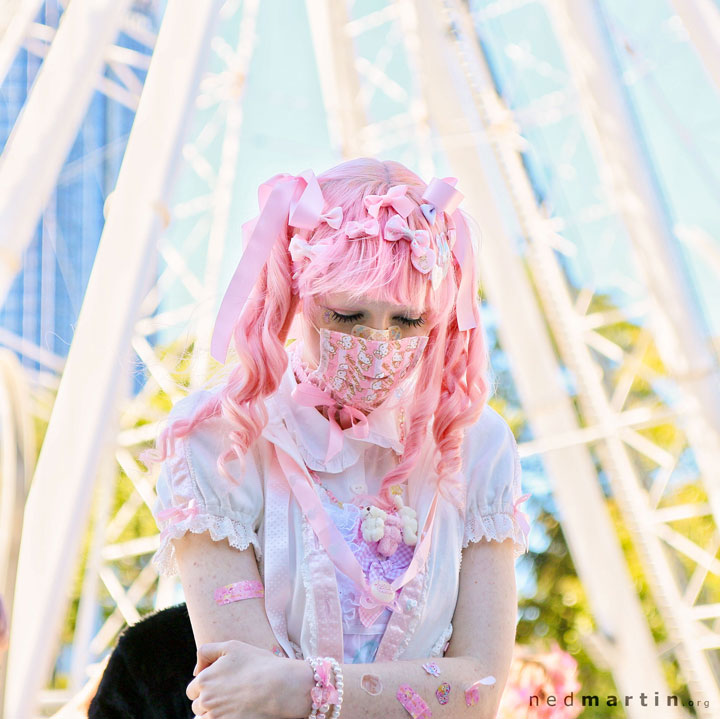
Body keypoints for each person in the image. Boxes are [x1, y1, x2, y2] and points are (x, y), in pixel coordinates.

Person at [140, 158, 531, 719]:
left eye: (407, 321)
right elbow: (242, 699)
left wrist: (306, 690)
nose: (377, 343)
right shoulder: (220, 439)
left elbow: (479, 690)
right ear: (296, 295)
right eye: (348, 315)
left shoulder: (475, 443)